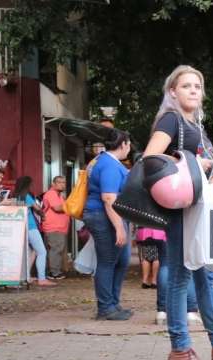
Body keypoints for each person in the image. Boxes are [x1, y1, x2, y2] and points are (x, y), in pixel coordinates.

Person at [143, 65, 213, 360]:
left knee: (204, 275)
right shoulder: (171, 120)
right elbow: (150, 158)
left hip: (199, 209)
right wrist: (189, 161)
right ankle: (179, 348)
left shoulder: (198, 127)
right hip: (180, 210)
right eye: (186, 86)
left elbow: (200, 168)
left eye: (197, 86)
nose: (193, 90)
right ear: (172, 92)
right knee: (180, 276)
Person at [83, 129, 133, 321]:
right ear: (123, 144)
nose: (129, 148)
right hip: (103, 216)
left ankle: (113, 303)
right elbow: (108, 198)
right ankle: (105, 308)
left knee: (122, 260)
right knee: (107, 261)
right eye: (128, 144)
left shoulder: (106, 161)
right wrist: (119, 227)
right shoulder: (109, 165)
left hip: (109, 216)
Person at [12, 176, 56, 287]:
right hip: (31, 227)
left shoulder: (15, 196)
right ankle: (42, 279)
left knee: (30, 252)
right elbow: (37, 208)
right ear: (27, 185)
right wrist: (43, 215)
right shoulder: (26, 196)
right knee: (42, 251)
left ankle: (26, 277)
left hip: (21, 227)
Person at [41, 176, 70, 280]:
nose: (62, 184)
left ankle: (53, 271)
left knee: (56, 249)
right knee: (56, 250)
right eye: (59, 182)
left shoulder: (60, 195)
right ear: (53, 184)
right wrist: (71, 205)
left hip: (59, 227)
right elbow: (57, 208)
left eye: (64, 182)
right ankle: (54, 273)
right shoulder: (51, 194)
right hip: (54, 227)